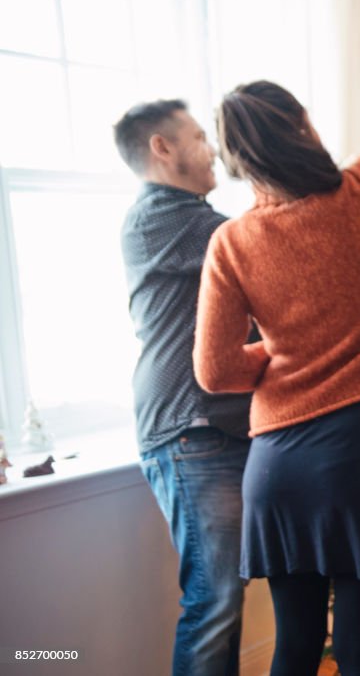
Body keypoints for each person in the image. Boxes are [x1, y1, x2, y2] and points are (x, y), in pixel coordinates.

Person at [192, 4, 360, 676]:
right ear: (302, 128)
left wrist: (280, 353)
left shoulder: (232, 242)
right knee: (359, 650)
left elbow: (213, 371)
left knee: (293, 647)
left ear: (239, 161)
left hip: (278, 469)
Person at [116, 99, 252, 676]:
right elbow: (258, 244)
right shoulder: (162, 216)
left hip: (214, 427)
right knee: (213, 600)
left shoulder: (190, 215)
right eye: (199, 136)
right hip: (189, 430)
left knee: (223, 598)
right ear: (161, 148)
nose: (212, 147)